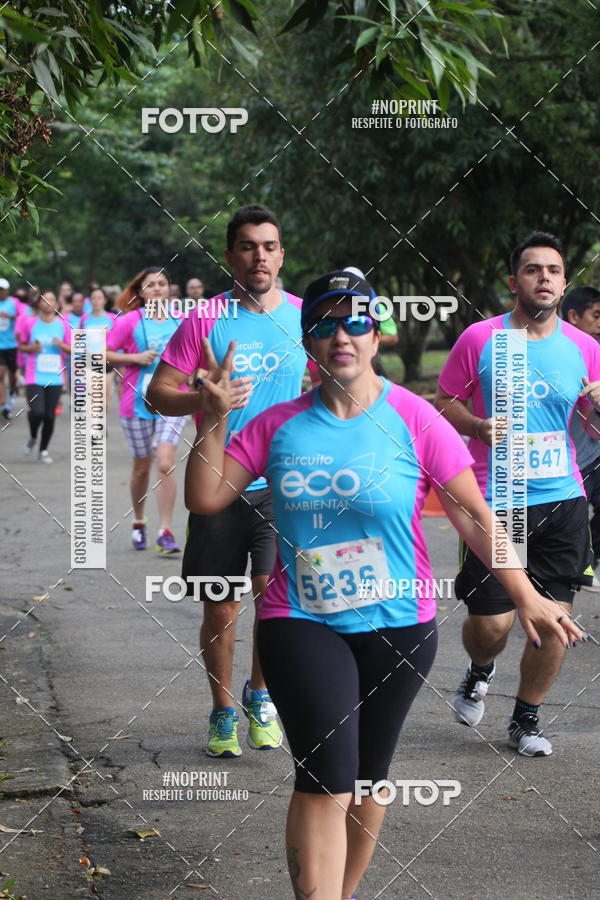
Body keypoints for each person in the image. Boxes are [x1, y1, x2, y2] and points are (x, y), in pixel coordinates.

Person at [185, 269, 583, 900]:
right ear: (307, 340)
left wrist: (527, 593)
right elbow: (206, 497)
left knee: (369, 781)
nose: (341, 334)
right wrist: (212, 417)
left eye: (357, 320)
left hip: (400, 626)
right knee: (325, 777)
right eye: (323, 323)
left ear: (377, 335)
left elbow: (477, 517)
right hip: (300, 621)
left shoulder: (418, 419)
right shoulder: (278, 426)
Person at [147, 204, 306, 758]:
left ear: (281, 255)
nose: (259, 256)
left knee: (273, 599)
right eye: (247, 246)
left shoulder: (307, 319)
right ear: (231, 256)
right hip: (215, 480)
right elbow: (157, 392)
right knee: (220, 605)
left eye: (269, 246)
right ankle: (221, 710)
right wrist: (203, 399)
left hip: (283, 488)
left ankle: (259, 695)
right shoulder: (204, 319)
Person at [435, 231, 600, 757]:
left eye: (553, 270)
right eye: (533, 270)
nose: (544, 278)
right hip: (496, 499)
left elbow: (592, 428)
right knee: (491, 623)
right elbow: (444, 403)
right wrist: (477, 426)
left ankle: (526, 718)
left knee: (555, 621)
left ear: (564, 281)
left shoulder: (587, 348)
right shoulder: (481, 339)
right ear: (515, 282)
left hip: (564, 498)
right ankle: (480, 668)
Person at [105, 267, 188, 553]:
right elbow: (102, 352)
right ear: (141, 292)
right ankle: (139, 520)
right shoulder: (129, 321)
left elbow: (196, 354)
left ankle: (165, 531)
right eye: (150, 285)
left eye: (162, 284)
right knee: (141, 465)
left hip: (174, 399)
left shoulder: (182, 320)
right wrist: (135, 357)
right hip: (135, 401)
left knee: (165, 460)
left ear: (169, 289)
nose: (156, 289)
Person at [561, 285, 600, 587]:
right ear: (573, 316)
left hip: (592, 453)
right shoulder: (557, 351)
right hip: (561, 463)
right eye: (596, 316)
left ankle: (587, 564)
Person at [16, 291, 71, 462]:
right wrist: (31, 348)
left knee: (49, 416)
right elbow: (22, 345)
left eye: (52, 299)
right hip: (34, 376)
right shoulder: (29, 323)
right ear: (39, 303)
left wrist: (60, 344)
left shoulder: (63, 325)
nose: (48, 302)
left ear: (57, 304)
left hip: (55, 377)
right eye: (45, 299)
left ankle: (43, 451)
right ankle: (33, 437)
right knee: (38, 412)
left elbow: (73, 349)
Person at [81, 286, 118, 412]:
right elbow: (80, 340)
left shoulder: (112, 318)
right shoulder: (85, 319)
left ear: (105, 300)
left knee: (105, 401)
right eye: (94, 298)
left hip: (107, 361)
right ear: (90, 301)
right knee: (93, 399)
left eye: (99, 298)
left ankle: (100, 427)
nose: (96, 301)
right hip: (89, 361)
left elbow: (118, 341)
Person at [0, 278, 19, 419]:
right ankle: (3, 405)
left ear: (7, 290)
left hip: (12, 345)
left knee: (12, 376)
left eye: (2, 289)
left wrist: (10, 317)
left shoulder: (14, 303)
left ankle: (12, 392)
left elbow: (22, 319)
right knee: (0, 374)